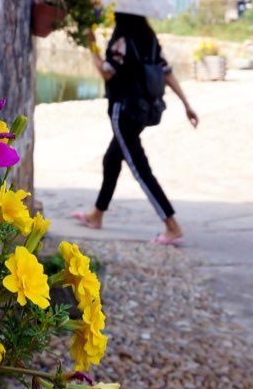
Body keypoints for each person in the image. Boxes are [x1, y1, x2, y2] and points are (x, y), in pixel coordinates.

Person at [71, 13, 198, 244]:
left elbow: (107, 72)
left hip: (124, 111)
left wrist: (91, 45)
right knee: (111, 160)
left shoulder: (122, 38)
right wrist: (186, 104)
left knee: (140, 169)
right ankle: (96, 215)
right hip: (143, 111)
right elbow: (166, 72)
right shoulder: (150, 38)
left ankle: (172, 226)